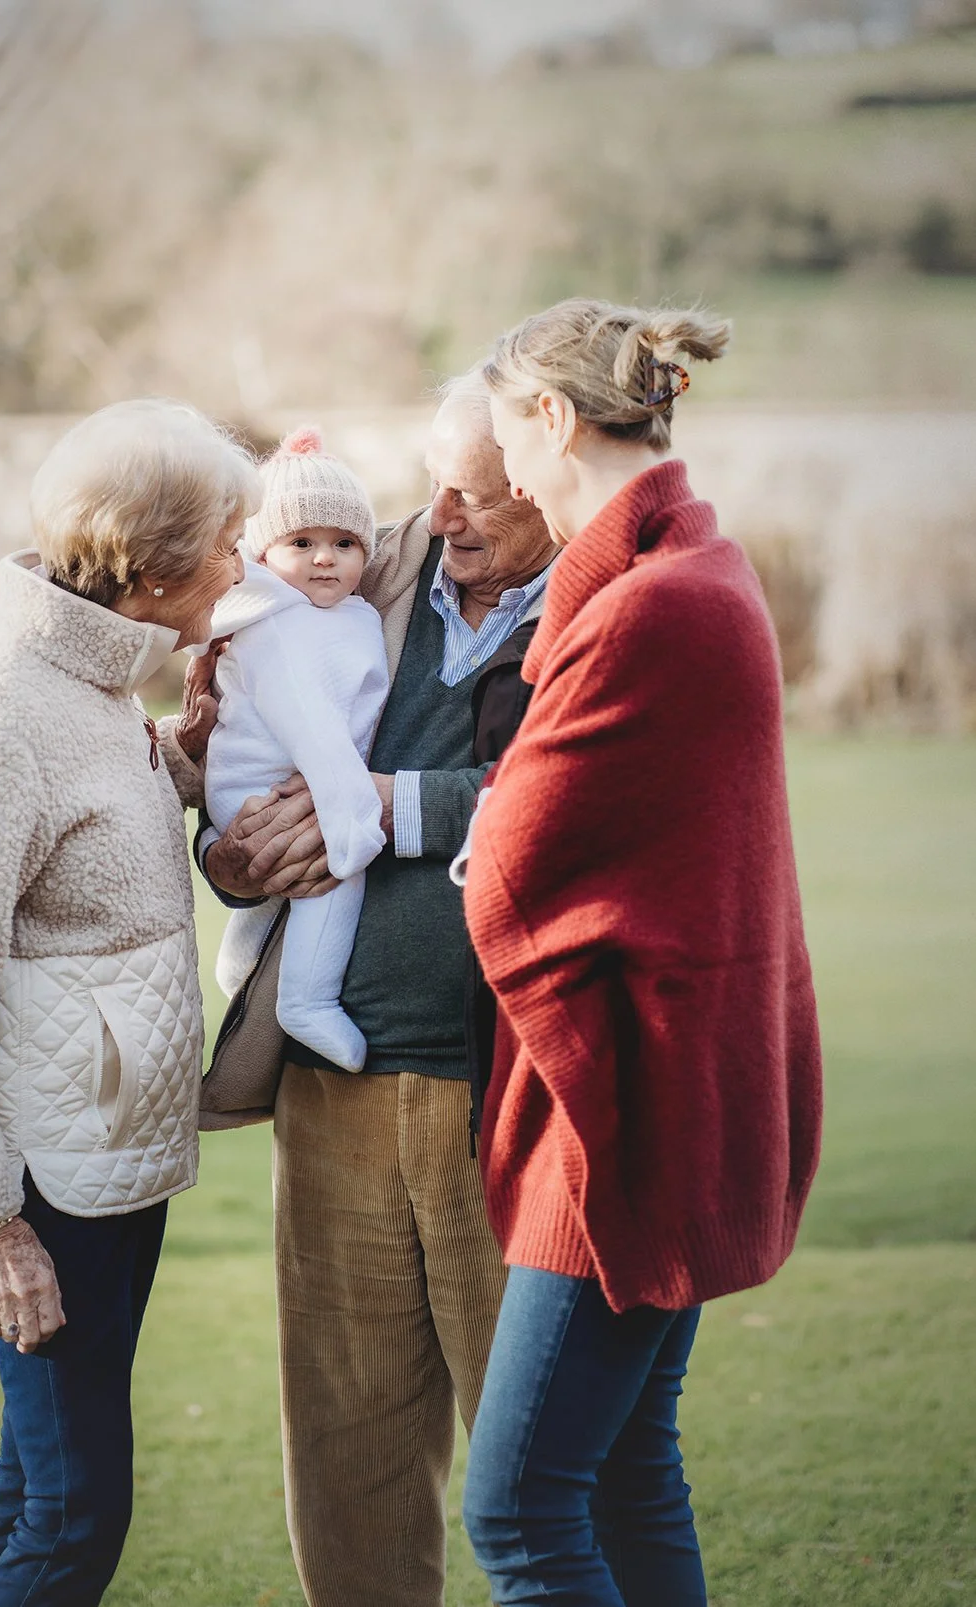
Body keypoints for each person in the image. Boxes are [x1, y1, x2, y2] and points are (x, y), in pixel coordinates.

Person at [0, 398, 259, 1607]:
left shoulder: (92, 686)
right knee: (76, 1512)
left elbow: (90, 845)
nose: (242, 562)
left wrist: (187, 758)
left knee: (35, 1490)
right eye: (229, 540)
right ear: (156, 563)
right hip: (40, 1189)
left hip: (111, 1162)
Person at [456, 298, 824, 1607]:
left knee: (518, 1509)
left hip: (622, 1113)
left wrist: (468, 835)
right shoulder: (697, 575)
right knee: (623, 1472)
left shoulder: (653, 609)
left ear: (552, 418)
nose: (502, 477)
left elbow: (508, 872)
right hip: (682, 1086)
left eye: (507, 439)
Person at [199, 376, 556, 1607]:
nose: (439, 513)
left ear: (552, 481)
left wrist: (393, 807)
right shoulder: (369, 565)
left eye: (478, 491)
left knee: (535, 1466)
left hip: (503, 1095)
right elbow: (240, 747)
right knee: (347, 1445)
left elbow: (556, 794)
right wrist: (228, 847)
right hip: (335, 1085)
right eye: (435, 478)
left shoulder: (600, 607)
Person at [203, 426, 389, 1071]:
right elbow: (314, 731)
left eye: (344, 543)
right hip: (262, 791)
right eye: (300, 543)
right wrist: (354, 825)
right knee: (331, 869)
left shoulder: (350, 616)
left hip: (306, 774)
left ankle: (240, 964)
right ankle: (306, 1001)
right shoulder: (277, 627)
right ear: (260, 552)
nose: (324, 559)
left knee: (297, 872)